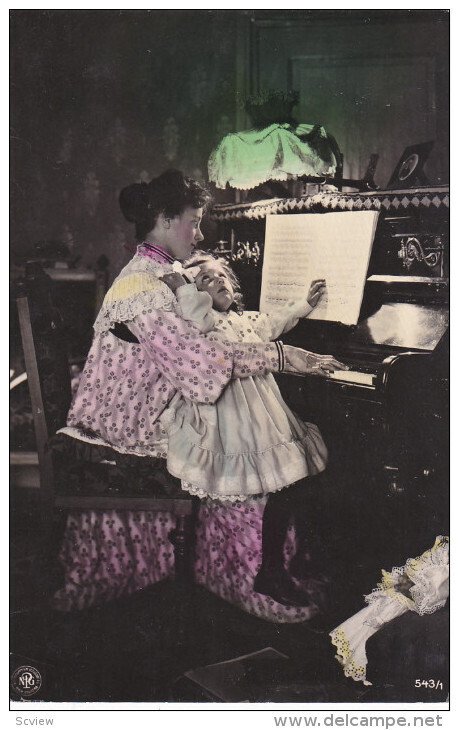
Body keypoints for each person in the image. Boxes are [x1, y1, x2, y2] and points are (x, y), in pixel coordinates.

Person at [59, 168, 345, 603]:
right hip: (126, 428)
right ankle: (253, 583)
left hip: (156, 404)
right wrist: (284, 357)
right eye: (193, 221)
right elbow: (199, 368)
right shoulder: (141, 288)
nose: (198, 233)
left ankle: (277, 567)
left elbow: (207, 340)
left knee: (252, 432)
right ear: (165, 219)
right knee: (244, 446)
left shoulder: (162, 270)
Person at [159, 252, 347, 606]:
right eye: (205, 281)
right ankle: (271, 568)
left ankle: (287, 563)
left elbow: (274, 324)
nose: (217, 283)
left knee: (294, 479)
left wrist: (303, 304)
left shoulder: (244, 320)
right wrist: (184, 287)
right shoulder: (207, 322)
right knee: (280, 481)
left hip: (265, 411)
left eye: (220, 276)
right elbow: (194, 318)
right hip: (234, 416)